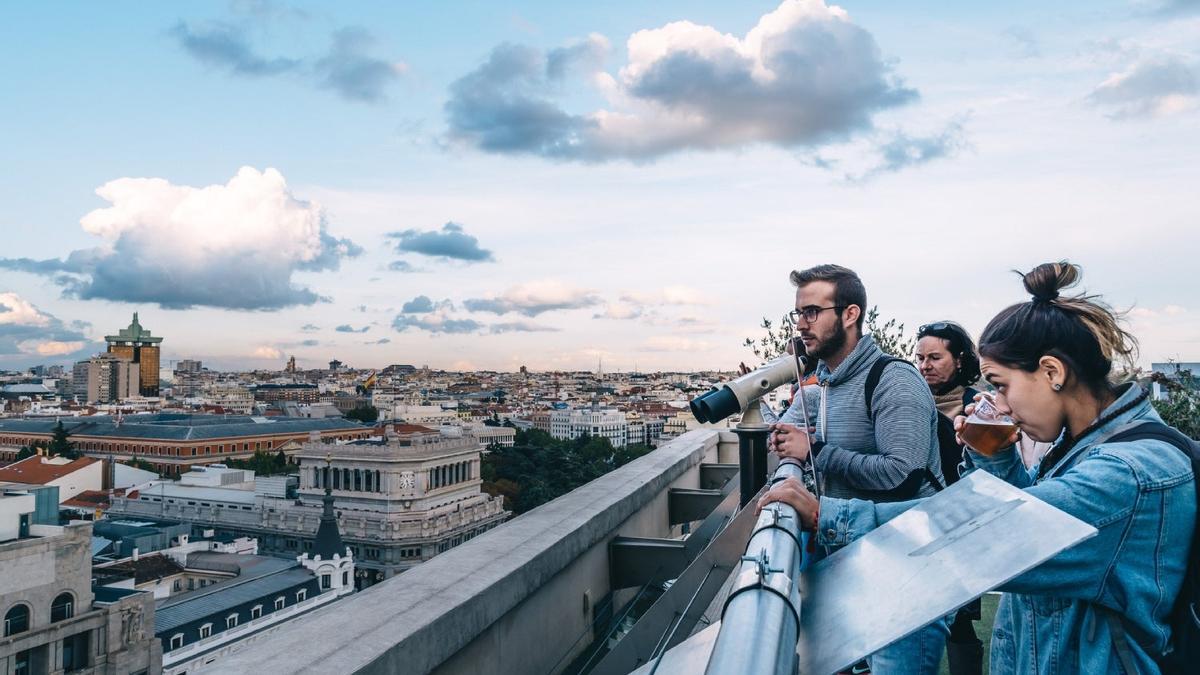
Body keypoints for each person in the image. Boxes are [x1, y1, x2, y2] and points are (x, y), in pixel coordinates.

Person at [760, 261, 1196, 674]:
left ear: (1052, 372)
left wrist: (825, 515)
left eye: (1002, 385)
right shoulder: (1080, 446)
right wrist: (996, 453)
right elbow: (1021, 509)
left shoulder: (1127, 473)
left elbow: (994, 534)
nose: (998, 403)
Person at [770, 264, 947, 674]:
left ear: (850, 314)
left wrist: (815, 449)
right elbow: (795, 434)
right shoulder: (828, 382)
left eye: (812, 311)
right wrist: (788, 442)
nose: (802, 324)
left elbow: (902, 474)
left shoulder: (893, 379)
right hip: (850, 561)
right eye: (797, 314)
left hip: (904, 570)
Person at [915, 321, 984, 675]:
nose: (925, 365)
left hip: (961, 523)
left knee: (960, 620)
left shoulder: (979, 406)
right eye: (920, 357)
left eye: (934, 357)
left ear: (959, 360)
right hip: (915, 519)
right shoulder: (908, 404)